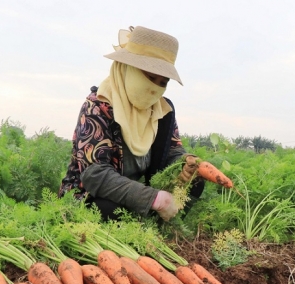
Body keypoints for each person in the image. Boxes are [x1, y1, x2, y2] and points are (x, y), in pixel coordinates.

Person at [58, 26, 204, 222]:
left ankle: (162, 225)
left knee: (196, 182)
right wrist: (154, 199)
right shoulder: (98, 106)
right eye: (150, 77)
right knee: (110, 209)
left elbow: (172, 149)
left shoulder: (163, 110)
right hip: (96, 194)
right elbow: (95, 175)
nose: (154, 88)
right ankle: (148, 219)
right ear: (128, 69)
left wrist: (184, 164)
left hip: (140, 192)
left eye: (163, 82)